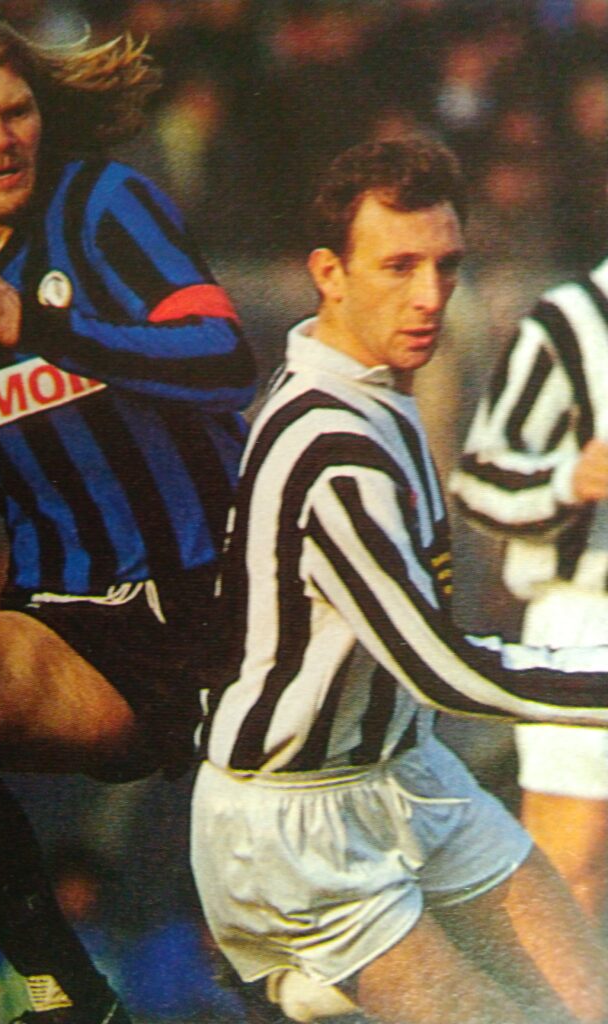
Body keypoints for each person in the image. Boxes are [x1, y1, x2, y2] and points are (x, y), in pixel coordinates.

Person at [0, 16, 255, 1024]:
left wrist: (44, 326)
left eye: (17, 113)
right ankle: (67, 993)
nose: (1, 139)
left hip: (221, 612)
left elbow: (223, 359)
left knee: (299, 932)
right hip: (72, 630)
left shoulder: (107, 207)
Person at [190, 135, 608, 1024]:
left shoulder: (381, 396)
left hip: (410, 778)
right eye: (398, 266)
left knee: (588, 1003)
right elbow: (440, 669)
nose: (429, 296)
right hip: (296, 822)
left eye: (446, 265)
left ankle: (313, 995)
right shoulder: (330, 446)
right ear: (328, 273)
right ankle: (299, 972)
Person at [449, 247, 608, 921]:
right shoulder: (572, 321)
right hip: (587, 621)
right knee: (574, 867)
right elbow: (477, 479)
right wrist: (569, 480)